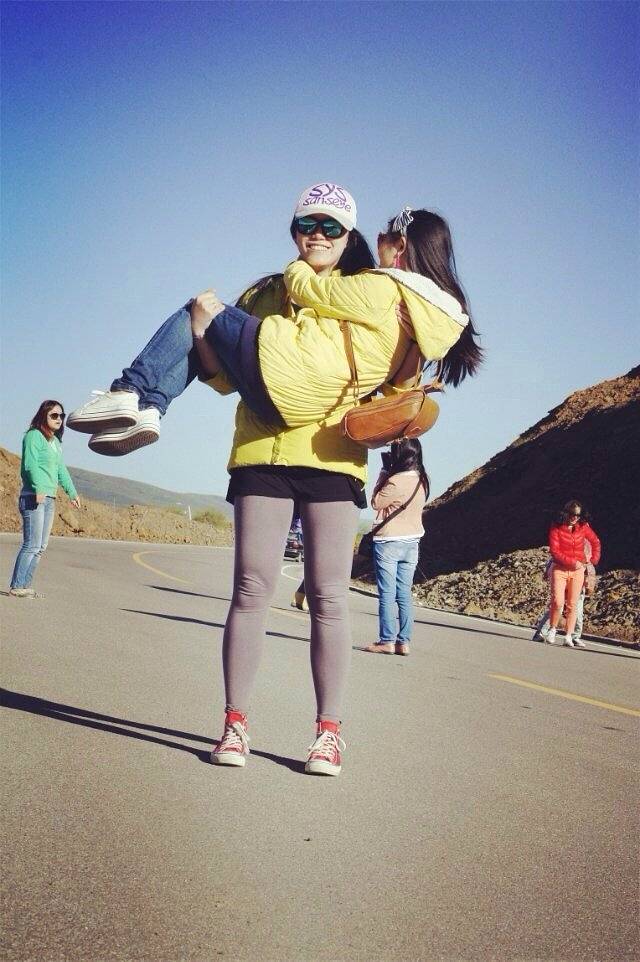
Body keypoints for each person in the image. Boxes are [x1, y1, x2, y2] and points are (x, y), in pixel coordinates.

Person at [70, 183, 482, 776]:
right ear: (293, 230)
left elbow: (391, 386)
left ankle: (328, 734)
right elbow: (222, 372)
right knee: (250, 588)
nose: (317, 235)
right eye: (307, 224)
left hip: (334, 459)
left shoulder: (374, 290)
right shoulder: (267, 291)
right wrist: (208, 337)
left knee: (329, 597)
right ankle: (234, 724)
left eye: (331, 227)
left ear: (349, 235)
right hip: (262, 451)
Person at [66, 193, 482, 455]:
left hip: (285, 369)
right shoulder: (428, 324)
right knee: (204, 326)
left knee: (199, 307)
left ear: (400, 246)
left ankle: (129, 392)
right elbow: (398, 387)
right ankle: (150, 410)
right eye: (307, 226)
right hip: (295, 406)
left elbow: (309, 289)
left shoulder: (383, 288)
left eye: (383, 238)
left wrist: (295, 267)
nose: (378, 244)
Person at [363, 439, 429, 656]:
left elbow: (376, 502)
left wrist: (383, 473)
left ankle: (387, 641)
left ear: (397, 456)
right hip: (412, 543)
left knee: (387, 594)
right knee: (404, 594)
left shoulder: (394, 481)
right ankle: (404, 642)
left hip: (389, 542)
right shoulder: (422, 480)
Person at [8, 401, 80, 598]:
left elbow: (60, 469)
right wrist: (38, 487)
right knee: (31, 544)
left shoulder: (55, 442)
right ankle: (17, 586)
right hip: (34, 497)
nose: (59, 419)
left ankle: (25, 586)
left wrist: (72, 492)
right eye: (54, 415)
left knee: (40, 547)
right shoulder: (33, 436)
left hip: (50, 498)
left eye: (61, 415)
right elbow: (29, 465)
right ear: (43, 416)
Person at [545, 500, 601, 648]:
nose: (575, 517)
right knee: (558, 601)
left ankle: (568, 635)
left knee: (572, 604)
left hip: (578, 572)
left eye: (578, 515)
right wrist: (572, 562)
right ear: (566, 513)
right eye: (572, 514)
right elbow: (555, 551)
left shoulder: (583, 527)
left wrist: (593, 560)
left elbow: (595, 542)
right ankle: (552, 629)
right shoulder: (556, 527)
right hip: (560, 569)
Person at [531, 541, 596, 647]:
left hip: (578, 582)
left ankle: (574, 636)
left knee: (576, 610)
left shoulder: (584, 545)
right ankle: (542, 632)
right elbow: (554, 560)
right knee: (558, 606)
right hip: (563, 577)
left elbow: (588, 565)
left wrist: (589, 585)